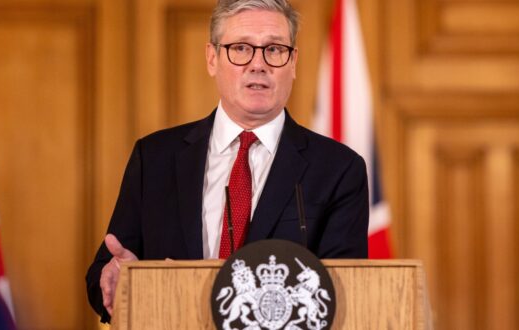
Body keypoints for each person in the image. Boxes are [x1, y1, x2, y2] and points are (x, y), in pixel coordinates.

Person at [86, 0, 369, 323]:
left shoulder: (338, 169)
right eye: (241, 48)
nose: (258, 64)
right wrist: (112, 280)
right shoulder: (154, 158)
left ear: (293, 62)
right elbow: (104, 275)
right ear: (212, 58)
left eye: (274, 49)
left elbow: (343, 291)